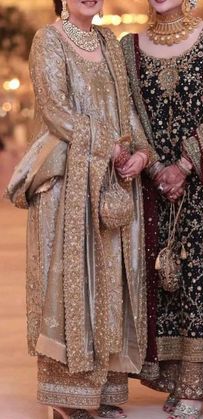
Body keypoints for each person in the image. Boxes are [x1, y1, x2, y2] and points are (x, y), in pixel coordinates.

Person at [7, 1, 159, 418]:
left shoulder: (108, 41)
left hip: (108, 180)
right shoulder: (49, 40)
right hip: (66, 184)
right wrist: (108, 145)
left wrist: (139, 152)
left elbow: (126, 108)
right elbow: (56, 110)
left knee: (109, 281)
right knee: (70, 283)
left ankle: (102, 393)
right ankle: (65, 398)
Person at [121, 0, 203, 418]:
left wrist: (185, 165)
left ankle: (196, 385)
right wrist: (155, 167)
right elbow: (127, 115)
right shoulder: (128, 47)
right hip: (151, 183)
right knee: (158, 276)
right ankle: (171, 378)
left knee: (198, 274)